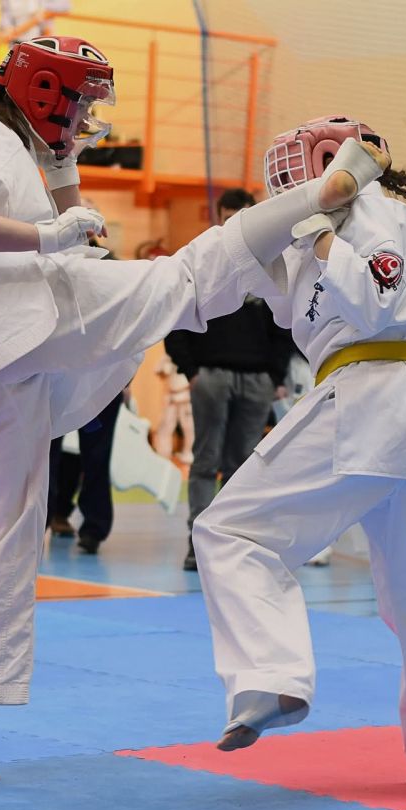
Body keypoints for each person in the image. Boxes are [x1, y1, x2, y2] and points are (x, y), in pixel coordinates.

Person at [0, 38, 388, 787]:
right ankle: (322, 195)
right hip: (8, 319)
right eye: (79, 103)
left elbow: (61, 208)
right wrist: (48, 235)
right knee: (180, 279)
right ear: (44, 92)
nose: (86, 118)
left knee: (3, 547)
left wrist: (64, 184)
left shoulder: (10, 143)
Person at [193, 116, 406, 796]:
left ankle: (272, 678)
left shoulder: (374, 213)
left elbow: (373, 300)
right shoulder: (315, 233)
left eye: (297, 173)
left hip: (378, 389)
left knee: (228, 529)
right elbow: (266, 292)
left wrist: (321, 233)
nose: (287, 188)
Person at [164, 188, 295, 571]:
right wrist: (191, 371)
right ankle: (198, 543)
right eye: (230, 215)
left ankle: (230, 542)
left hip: (256, 379)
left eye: (244, 215)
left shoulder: (271, 263)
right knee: (206, 460)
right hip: (212, 375)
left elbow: (284, 324)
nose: (237, 221)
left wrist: (275, 376)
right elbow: (176, 316)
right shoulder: (203, 257)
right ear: (219, 217)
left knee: (243, 465)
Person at [47, 391, 124, 553]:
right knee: (46, 456)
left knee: (97, 457)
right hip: (58, 386)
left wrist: (123, 380)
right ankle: (43, 519)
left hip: (100, 388)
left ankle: (93, 530)